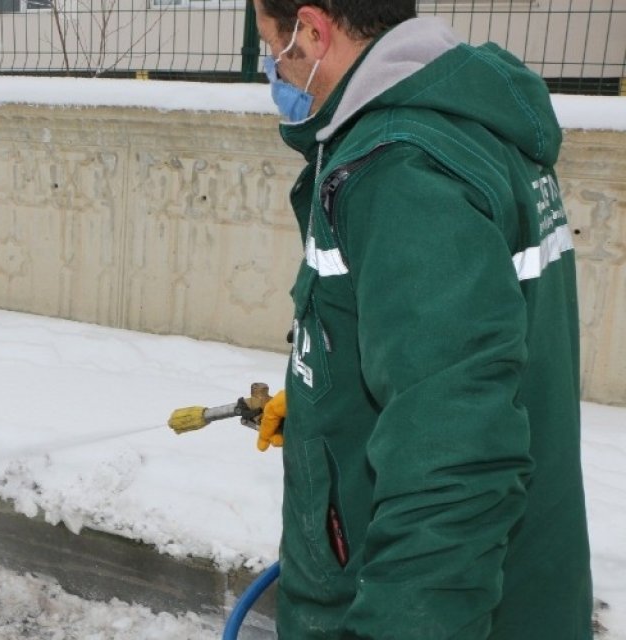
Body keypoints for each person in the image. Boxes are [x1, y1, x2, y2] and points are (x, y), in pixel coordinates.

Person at [175, 1, 593, 636]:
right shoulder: (464, 127)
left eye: (271, 47)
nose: (273, 70)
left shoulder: (403, 169)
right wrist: (328, 401)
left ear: (311, 31)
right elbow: (456, 356)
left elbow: (454, 463)